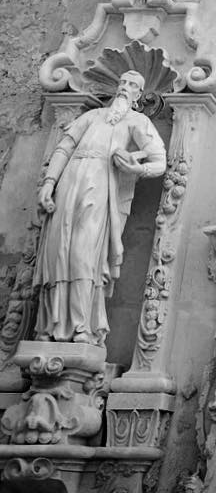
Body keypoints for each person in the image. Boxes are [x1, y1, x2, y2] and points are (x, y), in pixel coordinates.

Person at [34, 71, 166, 345]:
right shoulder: (92, 116)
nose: (125, 87)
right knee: (57, 250)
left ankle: (82, 325)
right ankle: (50, 325)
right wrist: (49, 183)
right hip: (69, 180)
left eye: (132, 85)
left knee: (83, 251)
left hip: (101, 185)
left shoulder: (137, 121)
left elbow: (159, 161)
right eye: (122, 82)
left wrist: (136, 168)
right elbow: (64, 148)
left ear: (139, 95)